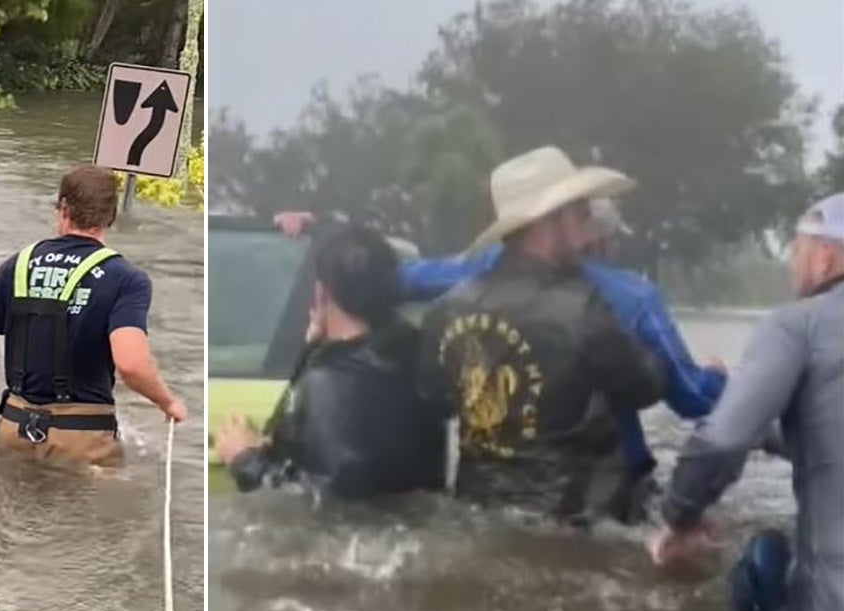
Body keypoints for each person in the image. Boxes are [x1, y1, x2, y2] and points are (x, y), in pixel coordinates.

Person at [276, 198, 726, 523]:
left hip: (481, 501)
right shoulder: (628, 297)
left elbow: (387, 280)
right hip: (589, 503)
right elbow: (681, 396)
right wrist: (720, 380)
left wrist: (328, 236)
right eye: (580, 213)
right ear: (560, 223)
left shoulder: (464, 288)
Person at [418, 146, 665, 524]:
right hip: (572, 517)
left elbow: (435, 401)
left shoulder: (445, 309)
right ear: (548, 221)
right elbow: (645, 387)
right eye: (581, 215)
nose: (589, 231)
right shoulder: (584, 307)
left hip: (479, 509)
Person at [651, 193, 844, 611]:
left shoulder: (796, 324)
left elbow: (722, 441)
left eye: (796, 252)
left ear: (825, 258)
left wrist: (679, 518)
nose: (791, 267)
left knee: (762, 567)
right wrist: (757, 412)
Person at [0, 164, 186, 466]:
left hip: (14, 427)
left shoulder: (16, 266)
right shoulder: (125, 278)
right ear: (111, 216)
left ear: (62, 209)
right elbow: (132, 365)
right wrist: (169, 402)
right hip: (82, 438)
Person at [213, 223, 447, 499]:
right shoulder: (420, 352)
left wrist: (246, 460)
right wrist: (312, 348)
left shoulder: (331, 383)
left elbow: (323, 504)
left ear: (321, 293)